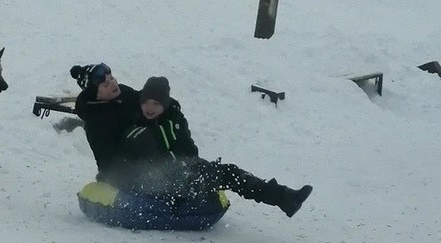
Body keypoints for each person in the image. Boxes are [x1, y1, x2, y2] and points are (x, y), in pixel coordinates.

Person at [113, 76, 313, 218]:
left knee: (230, 172)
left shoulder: (174, 120)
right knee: (211, 175)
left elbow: (190, 151)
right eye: (146, 103)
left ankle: (284, 197)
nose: (149, 108)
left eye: (156, 103)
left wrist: (193, 167)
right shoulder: (135, 128)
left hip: (183, 172)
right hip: (154, 180)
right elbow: (137, 160)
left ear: (164, 104)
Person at [71, 63, 141, 179]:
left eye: (112, 78)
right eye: (106, 84)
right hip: (128, 175)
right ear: (96, 95)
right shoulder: (97, 122)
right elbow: (108, 163)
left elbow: (144, 100)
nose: (113, 84)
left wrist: (165, 102)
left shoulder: (124, 93)